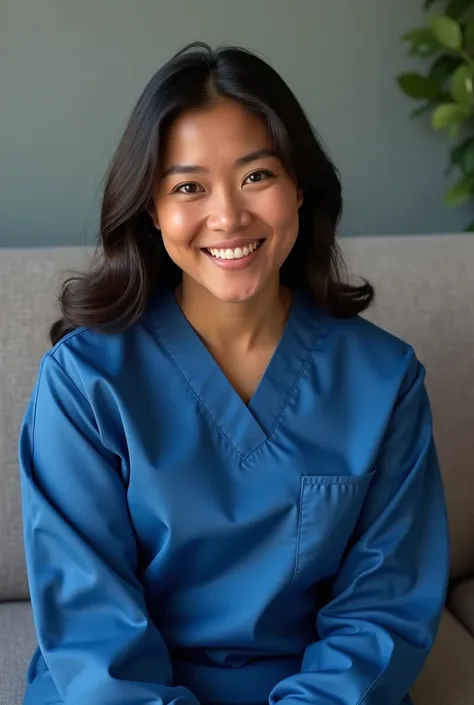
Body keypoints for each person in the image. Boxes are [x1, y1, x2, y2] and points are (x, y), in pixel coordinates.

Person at [18, 42, 449, 705]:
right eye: (188, 187)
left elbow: (381, 610)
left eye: (257, 176)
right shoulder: (83, 384)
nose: (228, 216)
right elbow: (90, 632)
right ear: (152, 210)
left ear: (299, 185)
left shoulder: (385, 380)